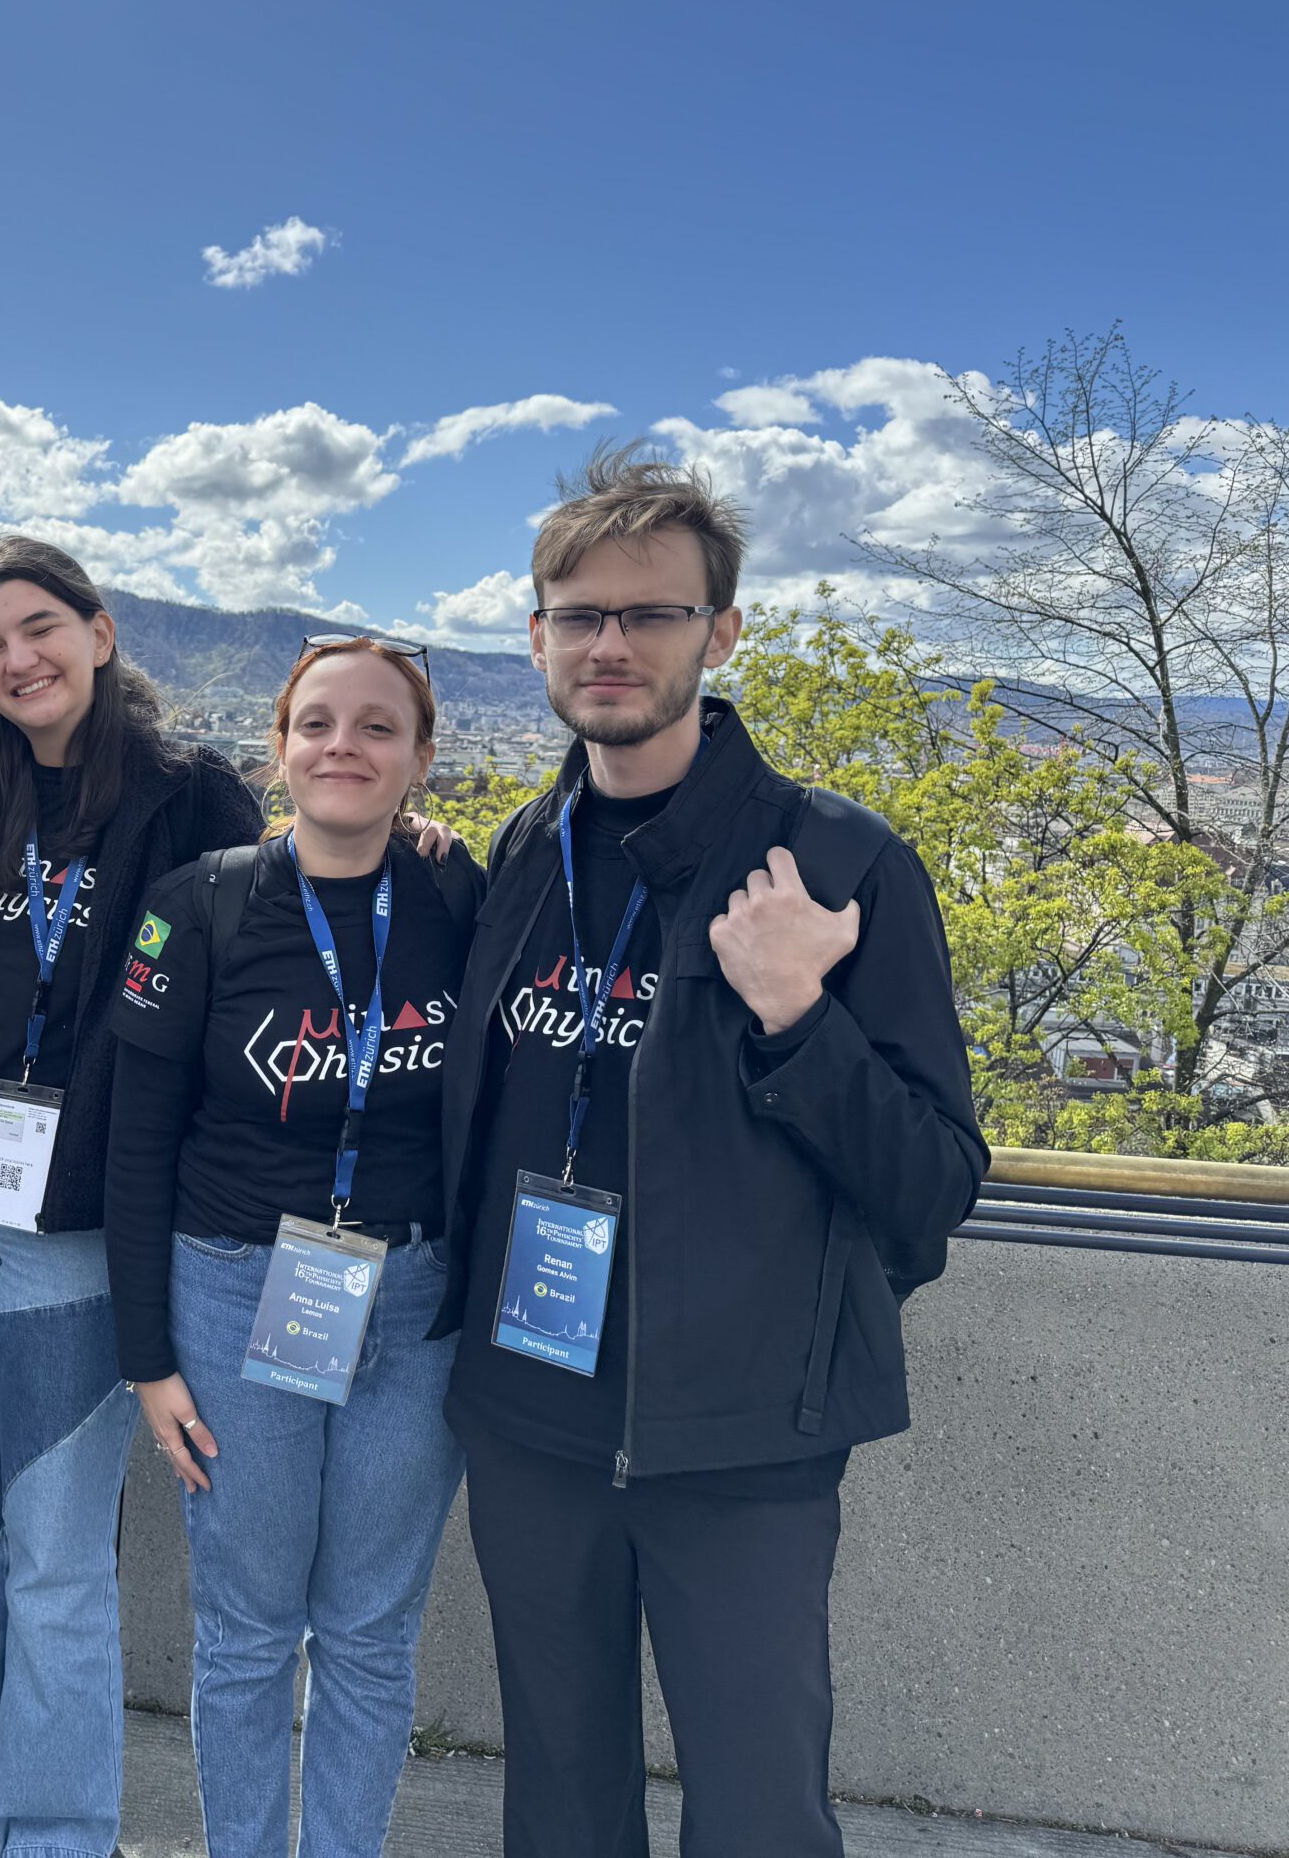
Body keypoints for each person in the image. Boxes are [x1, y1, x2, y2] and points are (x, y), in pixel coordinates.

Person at [434, 447, 987, 1855]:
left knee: (758, 1815)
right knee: (558, 1802)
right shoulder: (520, 852)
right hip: (529, 1413)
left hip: (741, 1441)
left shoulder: (840, 864)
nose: (609, 644)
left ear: (722, 633)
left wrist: (799, 1017)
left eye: (651, 614)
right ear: (540, 632)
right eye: (578, 614)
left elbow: (931, 1185)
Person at [0, 536, 261, 1858]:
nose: (15, 661)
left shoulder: (191, 797)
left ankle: (52, 1836)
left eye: (38, 628)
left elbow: (265, 943)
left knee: (53, 1546)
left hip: (87, 1211)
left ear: (100, 633)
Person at [105, 634, 481, 1858]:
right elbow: (135, 1143)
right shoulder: (202, 904)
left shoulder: (457, 898)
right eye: (317, 723)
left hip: (414, 1303)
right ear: (279, 748)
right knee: (251, 1631)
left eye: (378, 727)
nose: (344, 747)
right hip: (229, 1294)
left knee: (372, 1632)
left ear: (422, 760)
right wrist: (145, 1358)